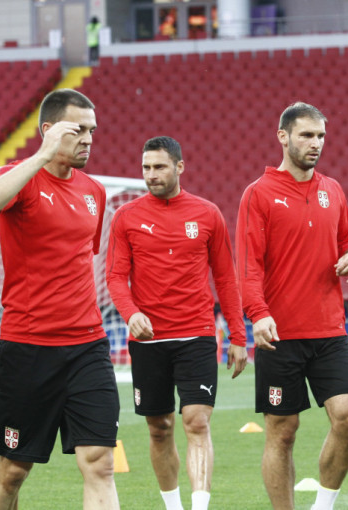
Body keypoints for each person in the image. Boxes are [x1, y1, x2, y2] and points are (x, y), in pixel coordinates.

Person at [0, 89, 120, 510]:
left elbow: (78, 258)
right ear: (50, 130)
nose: (88, 139)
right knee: (13, 470)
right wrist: (41, 155)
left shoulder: (94, 191)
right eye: (78, 130)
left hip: (88, 346)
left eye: (92, 130)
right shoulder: (20, 176)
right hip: (28, 347)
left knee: (100, 462)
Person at [106, 136, 248, 510]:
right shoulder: (125, 217)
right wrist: (131, 313)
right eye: (146, 168)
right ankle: (173, 506)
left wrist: (238, 335)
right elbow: (115, 277)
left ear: (179, 167)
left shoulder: (208, 214)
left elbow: (225, 278)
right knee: (160, 428)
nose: (151, 175)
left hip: (196, 335)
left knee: (197, 422)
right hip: (148, 341)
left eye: (159, 167)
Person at [236, 102, 348, 510]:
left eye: (321, 135)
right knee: (282, 431)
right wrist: (258, 314)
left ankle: (322, 505)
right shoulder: (258, 194)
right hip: (280, 334)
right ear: (283, 136)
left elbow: (347, 240)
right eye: (307, 135)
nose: (316, 143)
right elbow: (248, 266)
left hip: (329, 331)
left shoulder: (333, 190)